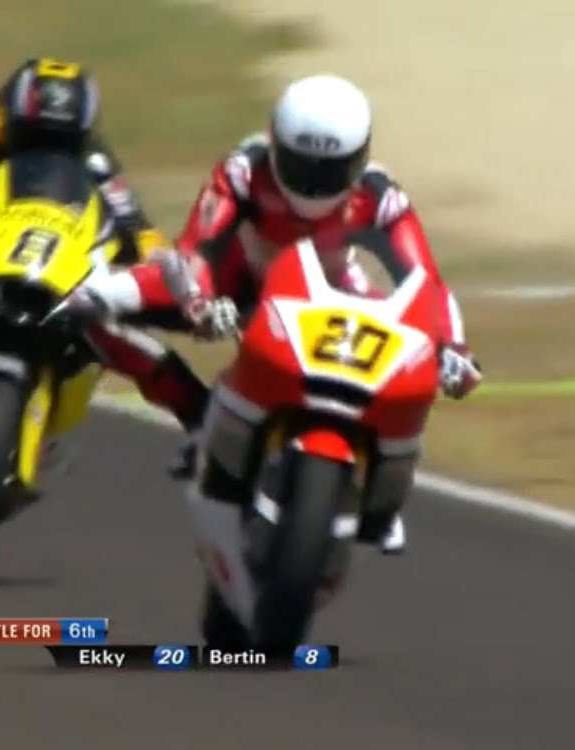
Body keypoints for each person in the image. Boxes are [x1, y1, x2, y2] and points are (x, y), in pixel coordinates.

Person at [84, 73, 483, 553]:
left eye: (330, 171)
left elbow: (426, 282)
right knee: (92, 301)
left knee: (396, 359)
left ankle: (377, 491)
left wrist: (453, 349)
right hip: (231, 285)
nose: (313, 185)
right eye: (300, 165)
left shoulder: (381, 198)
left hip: (326, 293)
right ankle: (201, 418)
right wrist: (200, 302)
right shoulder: (242, 173)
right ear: (275, 143)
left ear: (359, 160)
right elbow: (198, 248)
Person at [0, 57, 212, 439]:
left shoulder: (92, 156)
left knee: (114, 314)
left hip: (43, 249)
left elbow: (132, 219)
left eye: (63, 144)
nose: (48, 151)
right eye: (33, 139)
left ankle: (64, 385)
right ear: (10, 117)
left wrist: (152, 259)